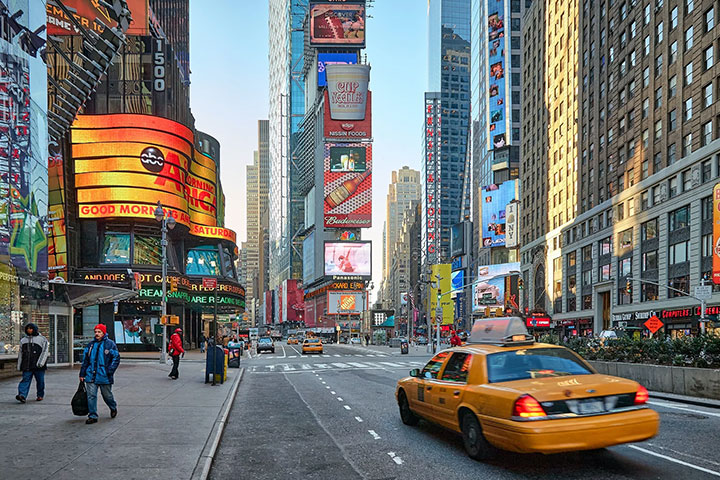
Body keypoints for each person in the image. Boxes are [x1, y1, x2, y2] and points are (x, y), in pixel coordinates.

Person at [79, 324, 120, 424]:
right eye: (96, 332)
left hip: (104, 375)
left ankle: (113, 406)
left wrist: (109, 371)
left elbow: (116, 358)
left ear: (103, 333)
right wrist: (82, 373)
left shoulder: (110, 344)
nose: (97, 334)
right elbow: (86, 360)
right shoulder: (91, 345)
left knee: (107, 395)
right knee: (91, 396)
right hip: (91, 375)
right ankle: (92, 415)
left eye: (99, 332)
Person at [16, 323, 49, 403]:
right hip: (27, 365)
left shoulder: (42, 339)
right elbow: (20, 353)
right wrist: (19, 365)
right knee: (25, 379)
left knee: (40, 381)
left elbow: (45, 352)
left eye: (31, 328)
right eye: (28, 328)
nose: (29, 330)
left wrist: (41, 363)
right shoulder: (23, 340)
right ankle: (22, 395)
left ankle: (40, 395)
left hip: (38, 365)